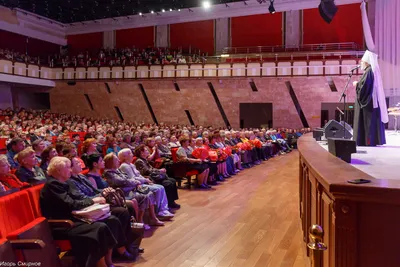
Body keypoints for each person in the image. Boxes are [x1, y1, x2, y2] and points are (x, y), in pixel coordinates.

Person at [40, 157, 135, 267]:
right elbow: (71, 204)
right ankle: (100, 264)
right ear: (59, 170)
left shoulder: (63, 183)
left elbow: (77, 200)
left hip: (76, 216)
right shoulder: (53, 185)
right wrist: (92, 200)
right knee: (100, 227)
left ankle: (110, 262)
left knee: (112, 220)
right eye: (67, 167)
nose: (70, 170)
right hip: (64, 223)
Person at [353, 50, 388, 146]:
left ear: (367, 62)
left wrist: (357, 84)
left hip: (368, 105)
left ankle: (366, 141)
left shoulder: (369, 72)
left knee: (368, 124)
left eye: (362, 61)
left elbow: (365, 87)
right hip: (371, 103)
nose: (361, 63)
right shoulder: (370, 71)